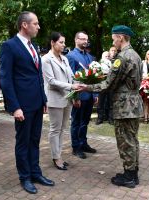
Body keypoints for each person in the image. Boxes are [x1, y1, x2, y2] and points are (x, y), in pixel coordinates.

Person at [80, 25, 143, 188]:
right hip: (134, 104)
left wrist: (86, 87)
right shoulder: (135, 55)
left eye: (114, 37)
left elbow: (108, 85)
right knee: (132, 139)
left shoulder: (121, 58)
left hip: (124, 106)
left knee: (125, 141)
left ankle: (129, 177)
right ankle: (132, 173)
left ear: (121, 37)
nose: (113, 41)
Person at [0, 11, 54, 194]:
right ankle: (25, 177)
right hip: (22, 105)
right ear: (25, 25)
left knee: (35, 140)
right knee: (23, 142)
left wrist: (43, 99)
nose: (38, 27)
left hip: (37, 103)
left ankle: (35, 173)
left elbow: (38, 75)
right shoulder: (9, 46)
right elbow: (6, 79)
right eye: (36, 23)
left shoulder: (34, 46)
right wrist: (14, 107)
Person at [42, 32, 80, 170]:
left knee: (63, 129)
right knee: (55, 129)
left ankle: (59, 155)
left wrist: (77, 91)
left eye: (64, 42)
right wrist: (71, 86)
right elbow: (51, 81)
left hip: (67, 99)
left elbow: (71, 77)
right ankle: (56, 157)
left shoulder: (64, 59)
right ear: (53, 43)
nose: (64, 45)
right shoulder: (46, 59)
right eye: (61, 42)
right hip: (55, 99)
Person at [66, 31, 98, 159]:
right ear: (76, 40)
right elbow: (70, 78)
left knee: (85, 121)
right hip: (79, 95)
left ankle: (83, 143)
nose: (85, 41)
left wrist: (95, 93)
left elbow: (95, 77)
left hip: (89, 95)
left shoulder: (90, 57)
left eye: (87, 39)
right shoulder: (70, 56)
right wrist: (75, 97)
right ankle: (76, 147)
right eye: (82, 39)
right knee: (76, 122)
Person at [96, 51, 112, 125]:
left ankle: (110, 118)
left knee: (110, 102)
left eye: (108, 56)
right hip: (102, 84)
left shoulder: (112, 64)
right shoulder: (98, 64)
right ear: (102, 57)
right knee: (100, 103)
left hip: (110, 85)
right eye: (106, 56)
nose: (107, 57)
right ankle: (100, 118)